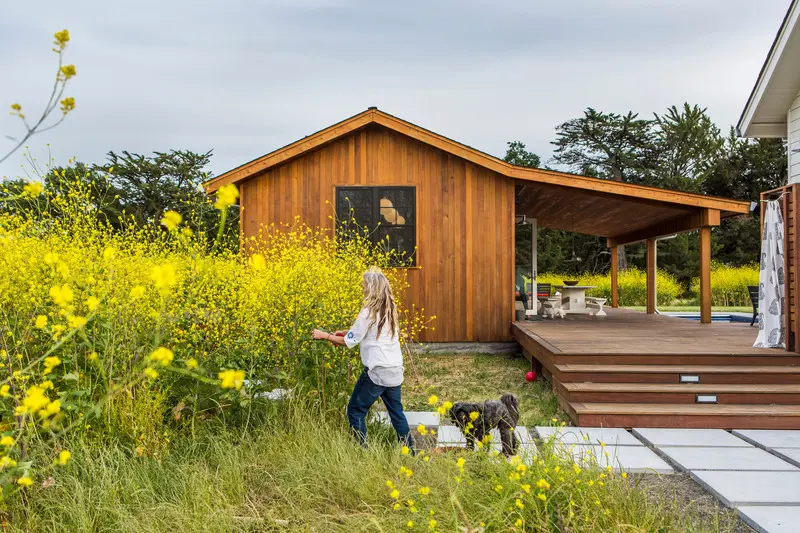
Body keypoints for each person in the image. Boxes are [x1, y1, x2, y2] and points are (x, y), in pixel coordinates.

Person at [312, 267, 414, 450]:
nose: (362, 288)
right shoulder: (389, 311)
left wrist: (324, 335)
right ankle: (410, 452)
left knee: (355, 411)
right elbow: (366, 334)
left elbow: (349, 342)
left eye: (364, 285)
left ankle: (363, 451)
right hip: (394, 369)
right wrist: (346, 333)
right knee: (397, 414)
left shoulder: (368, 312)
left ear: (372, 288)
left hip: (377, 371)